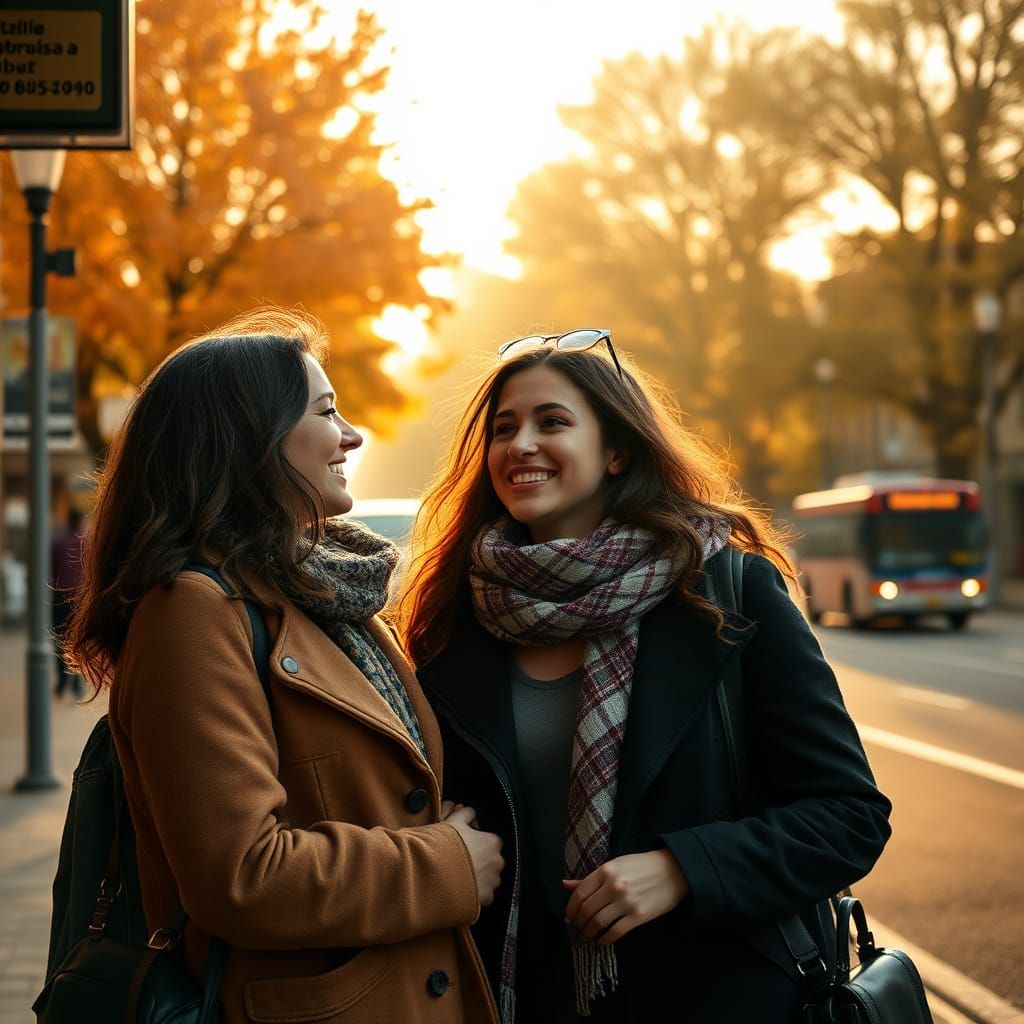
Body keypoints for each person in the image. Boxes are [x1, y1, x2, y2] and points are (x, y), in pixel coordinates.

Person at [396, 330, 892, 1024]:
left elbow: (849, 816)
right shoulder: (456, 617)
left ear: (617, 451)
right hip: (518, 994)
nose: (520, 445)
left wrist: (683, 870)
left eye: (553, 422)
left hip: (711, 995)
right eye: (503, 428)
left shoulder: (729, 594)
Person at [64, 308, 504, 1024]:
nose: (352, 435)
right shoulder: (192, 611)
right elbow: (242, 874)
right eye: (327, 412)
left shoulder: (324, 597)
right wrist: (448, 864)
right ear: (250, 440)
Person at [51, 505, 86, 698]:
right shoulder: (87, 541)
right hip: (79, 599)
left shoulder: (57, 542)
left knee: (59, 638)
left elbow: (51, 570)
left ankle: (63, 680)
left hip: (59, 597)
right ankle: (77, 684)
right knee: (78, 640)